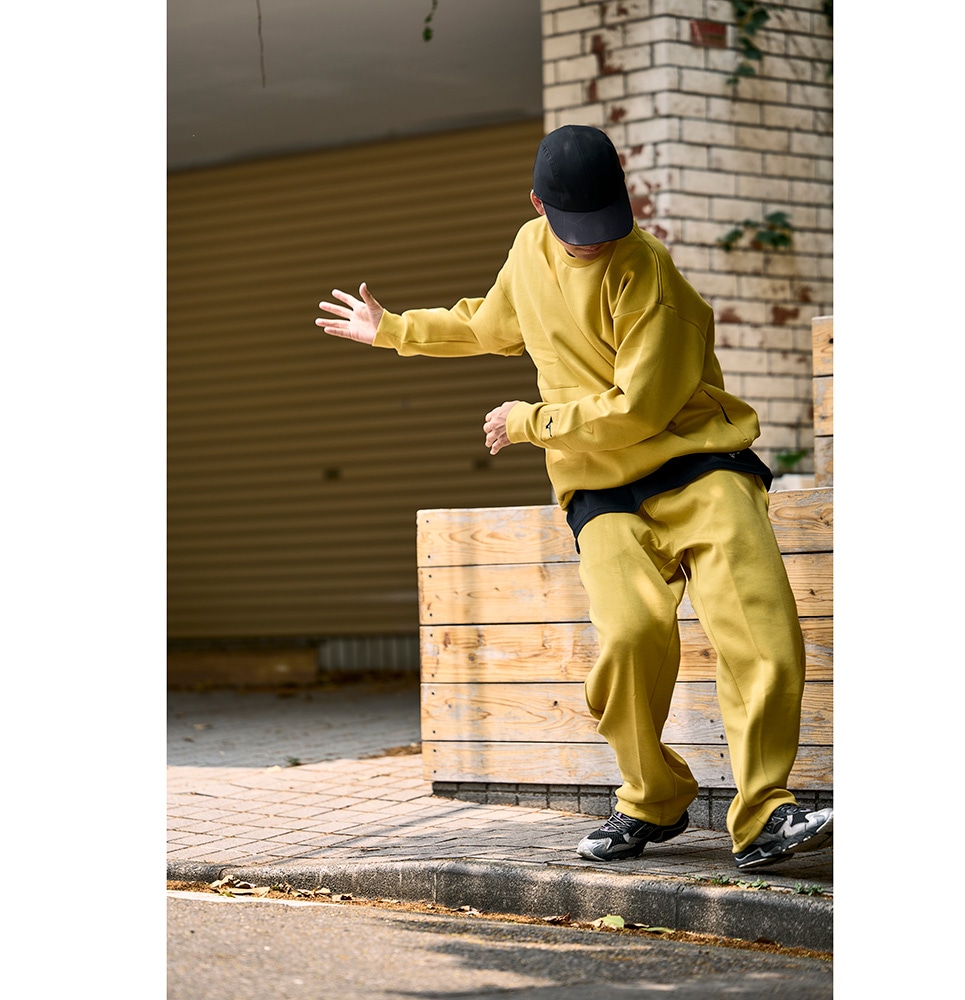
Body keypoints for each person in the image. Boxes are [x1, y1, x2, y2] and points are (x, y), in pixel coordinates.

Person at [315, 124, 832, 870]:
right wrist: (394, 329)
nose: (593, 242)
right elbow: (486, 324)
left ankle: (764, 816)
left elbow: (641, 410)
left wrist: (529, 422)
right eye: (576, 228)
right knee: (627, 641)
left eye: (606, 224)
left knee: (761, 634)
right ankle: (653, 798)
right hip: (600, 486)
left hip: (699, 466)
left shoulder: (647, 270)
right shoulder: (529, 251)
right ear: (537, 206)